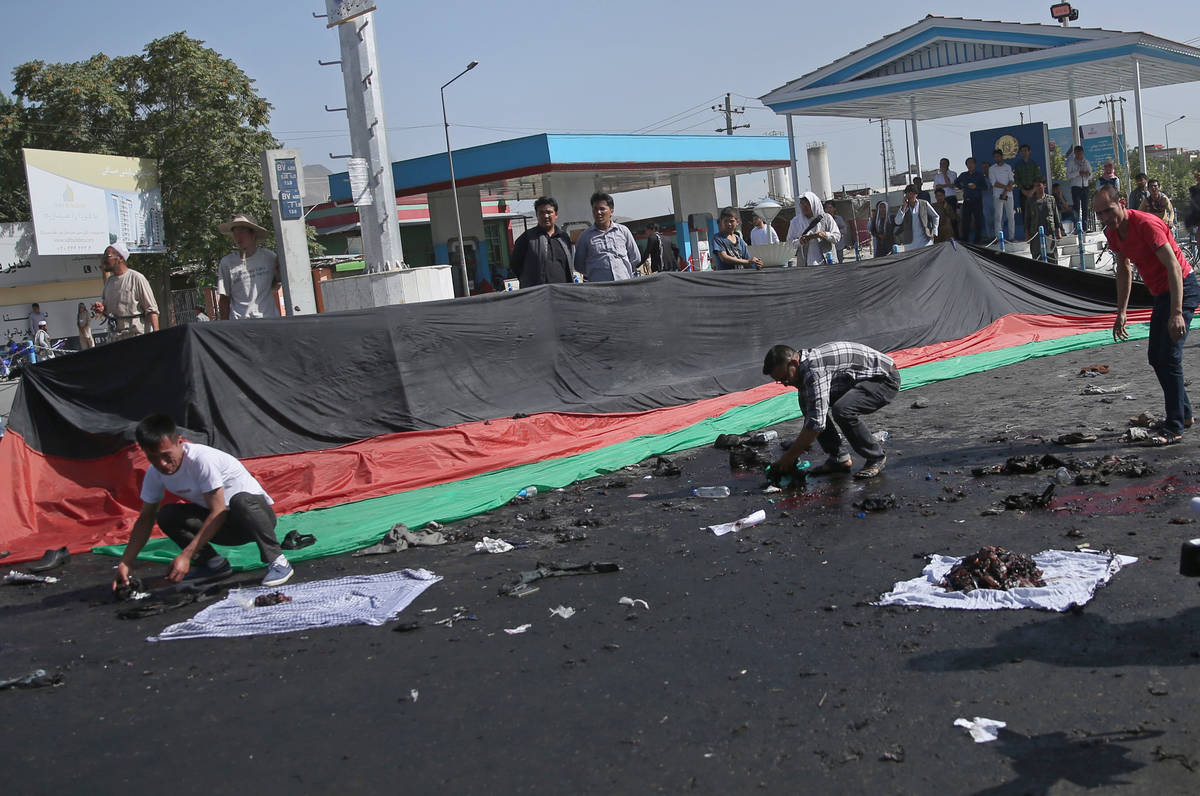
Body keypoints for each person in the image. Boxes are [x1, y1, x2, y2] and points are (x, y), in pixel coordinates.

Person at [112, 414, 295, 592]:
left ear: (179, 442)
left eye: (167, 456)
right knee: (167, 514)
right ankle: (214, 565)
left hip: (254, 521)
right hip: (223, 528)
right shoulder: (155, 473)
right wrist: (126, 562)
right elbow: (145, 519)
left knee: (241, 500)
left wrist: (186, 555)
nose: (163, 464)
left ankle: (278, 561)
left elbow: (219, 511)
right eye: (153, 458)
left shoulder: (202, 460)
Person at [1099, 185, 1199, 444]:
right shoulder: (1113, 232)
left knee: (1170, 356)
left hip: (1181, 289)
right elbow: (1123, 269)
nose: (1106, 219)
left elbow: (1174, 267)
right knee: (1156, 356)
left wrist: (1177, 313)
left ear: (1122, 202)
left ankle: (1175, 425)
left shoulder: (1146, 224)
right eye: (1100, 215)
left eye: (1109, 211)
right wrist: (1121, 312)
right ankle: (1185, 414)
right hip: (1160, 294)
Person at [762, 342, 899, 480]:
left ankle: (876, 456)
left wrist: (789, 457)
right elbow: (814, 413)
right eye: (781, 382)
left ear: (794, 363)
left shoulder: (814, 369)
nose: (786, 384)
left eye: (786, 378)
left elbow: (816, 424)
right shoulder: (803, 367)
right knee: (806, 401)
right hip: (856, 379)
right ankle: (839, 458)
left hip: (884, 379)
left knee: (843, 410)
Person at [91, 240, 159, 342]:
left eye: (107, 256)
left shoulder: (136, 278)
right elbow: (107, 312)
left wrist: (157, 336)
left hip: (137, 336)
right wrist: (102, 309)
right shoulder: (109, 282)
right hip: (115, 339)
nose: (104, 259)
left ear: (120, 258)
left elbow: (151, 309)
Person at [217, 214, 281, 320]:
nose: (238, 237)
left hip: (268, 320)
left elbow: (275, 285)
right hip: (241, 324)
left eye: (242, 232)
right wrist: (225, 327)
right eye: (235, 233)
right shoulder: (227, 263)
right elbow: (224, 298)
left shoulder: (269, 257)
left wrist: (277, 278)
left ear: (253, 234)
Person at [573, 192, 640, 282]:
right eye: (595, 209)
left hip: (624, 286)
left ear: (611, 211)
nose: (598, 212)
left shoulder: (623, 231)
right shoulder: (585, 237)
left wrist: (623, 273)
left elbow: (635, 258)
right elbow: (579, 265)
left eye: (602, 209)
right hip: (600, 290)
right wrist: (596, 274)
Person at [510, 196, 575, 287]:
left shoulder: (563, 237)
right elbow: (515, 265)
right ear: (537, 215)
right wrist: (528, 282)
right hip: (538, 295)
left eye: (549, 212)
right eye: (541, 213)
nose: (546, 216)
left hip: (562, 293)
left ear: (556, 214)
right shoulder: (527, 238)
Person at [786, 191, 841, 266]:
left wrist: (825, 235)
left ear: (814, 204)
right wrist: (800, 241)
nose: (804, 207)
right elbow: (789, 243)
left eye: (807, 204)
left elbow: (837, 237)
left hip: (827, 263)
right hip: (806, 266)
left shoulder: (826, 218)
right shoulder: (796, 222)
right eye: (802, 204)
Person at [1026, 177, 1064, 262]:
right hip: (1035, 233)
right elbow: (1027, 219)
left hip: (1049, 231)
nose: (1037, 188)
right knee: (1037, 256)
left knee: (1052, 256)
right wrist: (1027, 235)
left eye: (1039, 185)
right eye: (1035, 186)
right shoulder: (1030, 201)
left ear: (1044, 186)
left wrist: (1058, 231)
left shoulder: (1051, 199)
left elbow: (1055, 216)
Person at [892, 183, 940, 250]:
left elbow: (936, 216)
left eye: (912, 193)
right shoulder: (904, 207)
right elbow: (898, 222)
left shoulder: (924, 203)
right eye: (908, 194)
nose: (910, 196)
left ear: (916, 194)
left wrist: (935, 231)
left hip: (925, 241)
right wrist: (904, 207)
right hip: (910, 243)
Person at [1013, 143, 1043, 238]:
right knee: (1025, 213)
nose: (1024, 153)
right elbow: (1016, 179)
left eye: (1026, 151)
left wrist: (1033, 190)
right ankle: (1027, 233)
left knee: (1036, 211)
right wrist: (1023, 190)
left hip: (1033, 190)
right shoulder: (1018, 165)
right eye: (1022, 151)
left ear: (1029, 152)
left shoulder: (1034, 164)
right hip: (1023, 191)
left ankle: (1038, 232)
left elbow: (1038, 178)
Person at [955, 157, 988, 243]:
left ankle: (977, 241)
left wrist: (976, 187)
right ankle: (965, 241)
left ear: (975, 164)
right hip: (967, 200)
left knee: (978, 221)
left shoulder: (979, 175)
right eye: (968, 163)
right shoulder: (963, 175)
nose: (970, 165)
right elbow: (956, 182)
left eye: (971, 163)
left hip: (977, 200)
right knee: (965, 221)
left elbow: (985, 187)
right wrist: (962, 187)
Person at [989, 148, 1016, 241]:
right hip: (997, 195)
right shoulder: (992, 168)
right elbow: (994, 183)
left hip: (1009, 195)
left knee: (1011, 216)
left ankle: (1012, 237)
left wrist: (1006, 191)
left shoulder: (1008, 167)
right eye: (995, 157)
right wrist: (1006, 188)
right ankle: (999, 238)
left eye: (998, 156)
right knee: (998, 217)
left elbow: (1012, 180)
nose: (997, 158)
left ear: (1002, 157)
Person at [1065, 146, 1093, 232]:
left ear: (1083, 153)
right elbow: (1068, 175)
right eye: (1077, 153)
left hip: (1085, 186)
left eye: (1080, 153)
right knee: (1076, 207)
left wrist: (1087, 174)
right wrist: (1078, 173)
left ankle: (1085, 227)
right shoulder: (1071, 163)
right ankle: (1077, 227)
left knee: (1085, 207)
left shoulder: (1086, 162)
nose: (1079, 154)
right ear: (1075, 153)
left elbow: (1091, 175)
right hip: (1076, 187)